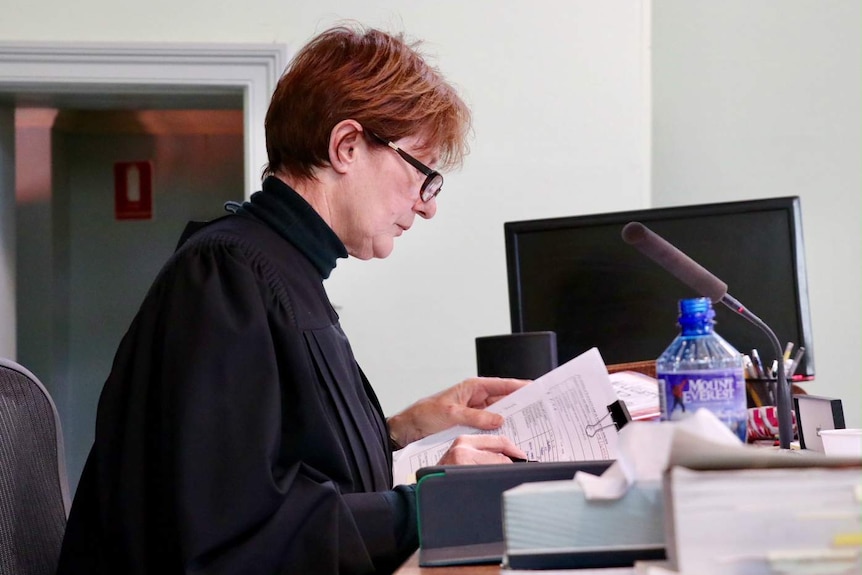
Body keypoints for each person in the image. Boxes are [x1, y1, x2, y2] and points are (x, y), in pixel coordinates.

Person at [56, 23, 528, 575]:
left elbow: (293, 462)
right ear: (346, 146)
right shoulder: (226, 276)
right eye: (422, 175)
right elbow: (234, 535)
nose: (428, 207)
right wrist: (433, 504)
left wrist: (399, 431)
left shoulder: (278, 269)